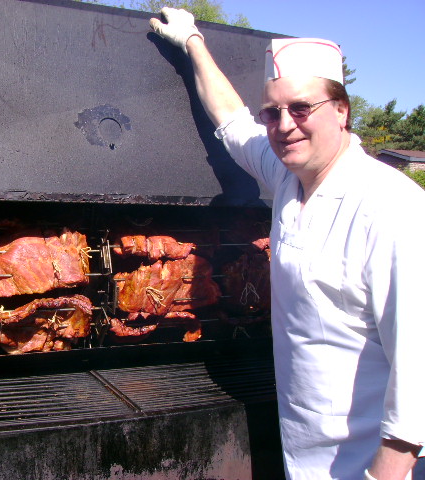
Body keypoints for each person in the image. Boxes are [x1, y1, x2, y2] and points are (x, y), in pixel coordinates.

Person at [149, 7, 425, 480]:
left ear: (341, 111)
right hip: (303, 441)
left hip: (373, 463)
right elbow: (233, 122)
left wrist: (384, 475)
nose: (285, 124)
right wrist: (192, 40)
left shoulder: (390, 205)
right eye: (273, 111)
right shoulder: (289, 178)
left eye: (301, 108)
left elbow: (418, 362)